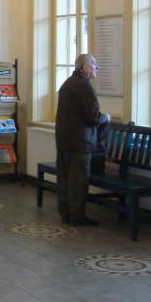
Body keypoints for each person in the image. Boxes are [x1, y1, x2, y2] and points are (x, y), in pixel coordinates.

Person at [55, 53, 110, 226]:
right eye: (94, 65)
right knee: (78, 181)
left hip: (64, 140)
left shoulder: (67, 84)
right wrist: (106, 118)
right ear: (85, 68)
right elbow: (92, 117)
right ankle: (77, 216)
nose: (97, 68)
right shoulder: (85, 87)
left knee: (64, 179)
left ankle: (65, 213)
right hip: (81, 142)